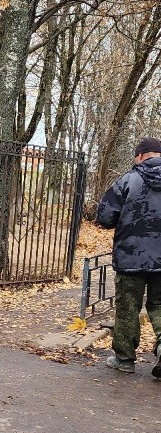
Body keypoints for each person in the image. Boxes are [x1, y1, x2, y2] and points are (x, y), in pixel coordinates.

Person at [96, 136, 161, 379]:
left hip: (131, 257)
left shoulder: (127, 180)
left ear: (142, 156)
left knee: (127, 306)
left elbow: (104, 217)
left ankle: (124, 359)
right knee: (160, 304)